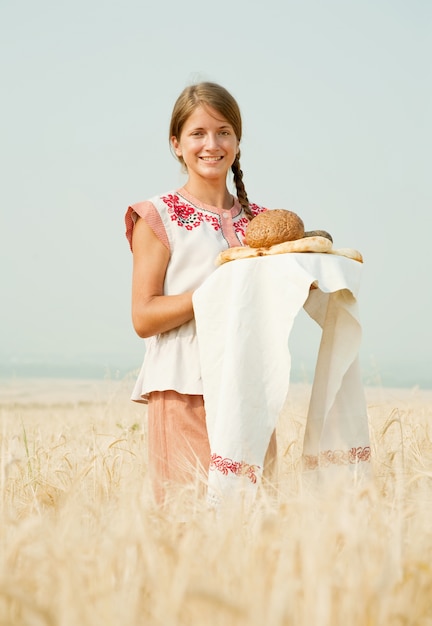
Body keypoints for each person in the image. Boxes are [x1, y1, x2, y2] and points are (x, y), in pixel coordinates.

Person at [125, 82, 277, 504]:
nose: (212, 144)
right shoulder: (158, 216)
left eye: (223, 131)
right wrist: (216, 291)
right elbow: (143, 316)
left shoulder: (263, 222)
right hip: (184, 389)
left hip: (250, 389)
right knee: (186, 527)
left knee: (255, 523)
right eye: (197, 133)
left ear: (237, 141)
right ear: (176, 144)